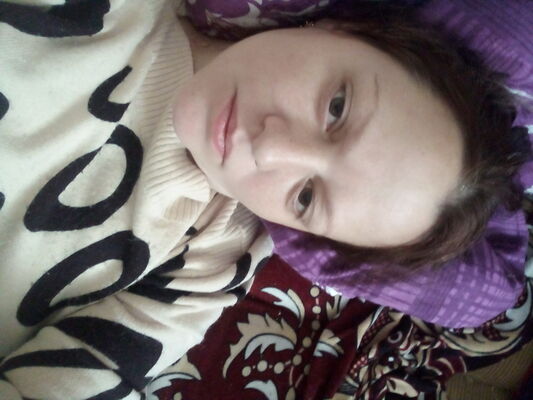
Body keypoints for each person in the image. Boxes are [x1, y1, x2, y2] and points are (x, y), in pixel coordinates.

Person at [0, 1, 528, 399]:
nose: (270, 147)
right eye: (337, 108)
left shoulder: (206, 267)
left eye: (306, 196)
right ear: (344, 30)